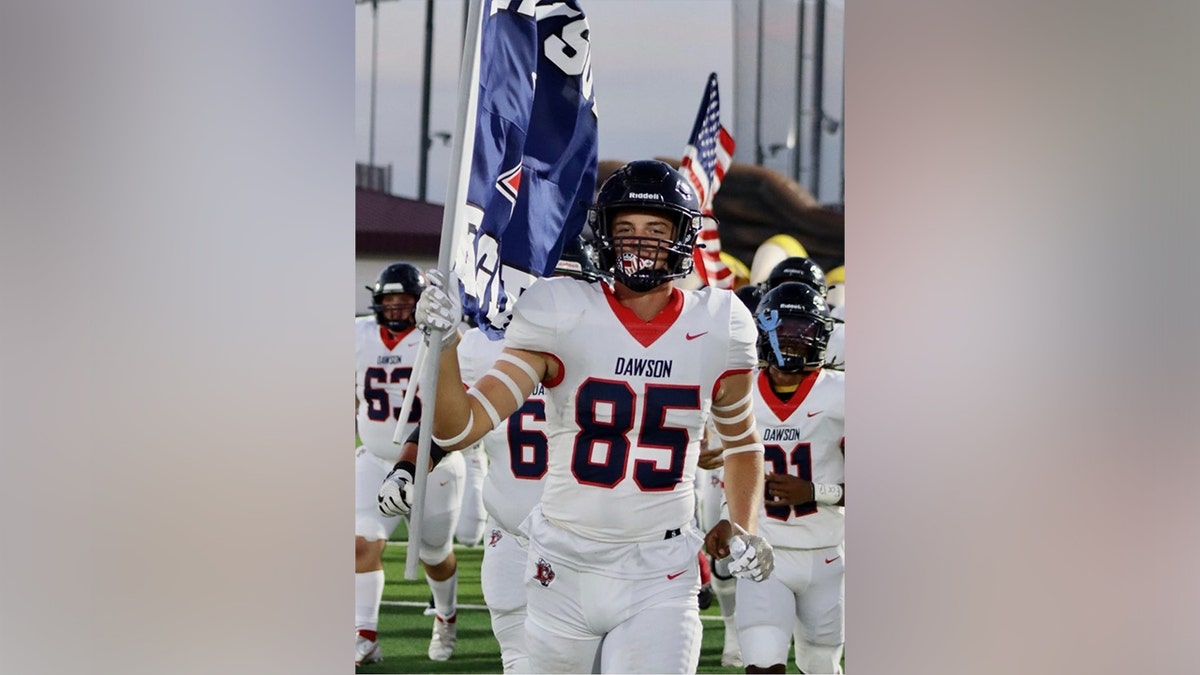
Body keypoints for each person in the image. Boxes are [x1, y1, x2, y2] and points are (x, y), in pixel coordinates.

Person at [403, 160, 775, 674]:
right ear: (604, 235)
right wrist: (443, 345)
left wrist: (744, 525)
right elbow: (459, 426)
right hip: (563, 564)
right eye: (626, 229)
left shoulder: (721, 322)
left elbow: (743, 444)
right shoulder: (559, 309)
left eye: (655, 230)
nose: (638, 242)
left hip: (660, 569)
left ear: (683, 236)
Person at [355, 263, 465, 667]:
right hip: (374, 459)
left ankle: (446, 616)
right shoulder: (358, 335)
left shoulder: (438, 336)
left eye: (405, 301)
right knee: (361, 543)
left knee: (435, 553)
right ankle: (365, 635)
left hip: (431, 463)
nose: (397, 308)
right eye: (390, 301)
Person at [736, 281, 845, 674]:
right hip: (763, 550)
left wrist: (815, 491)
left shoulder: (841, 393)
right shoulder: (739, 389)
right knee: (763, 664)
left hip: (826, 554)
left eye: (804, 329)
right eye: (783, 328)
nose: (794, 339)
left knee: (820, 665)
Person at [763, 257, 845, 371]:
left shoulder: (839, 334)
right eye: (785, 289)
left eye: (801, 289)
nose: (792, 296)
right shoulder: (756, 325)